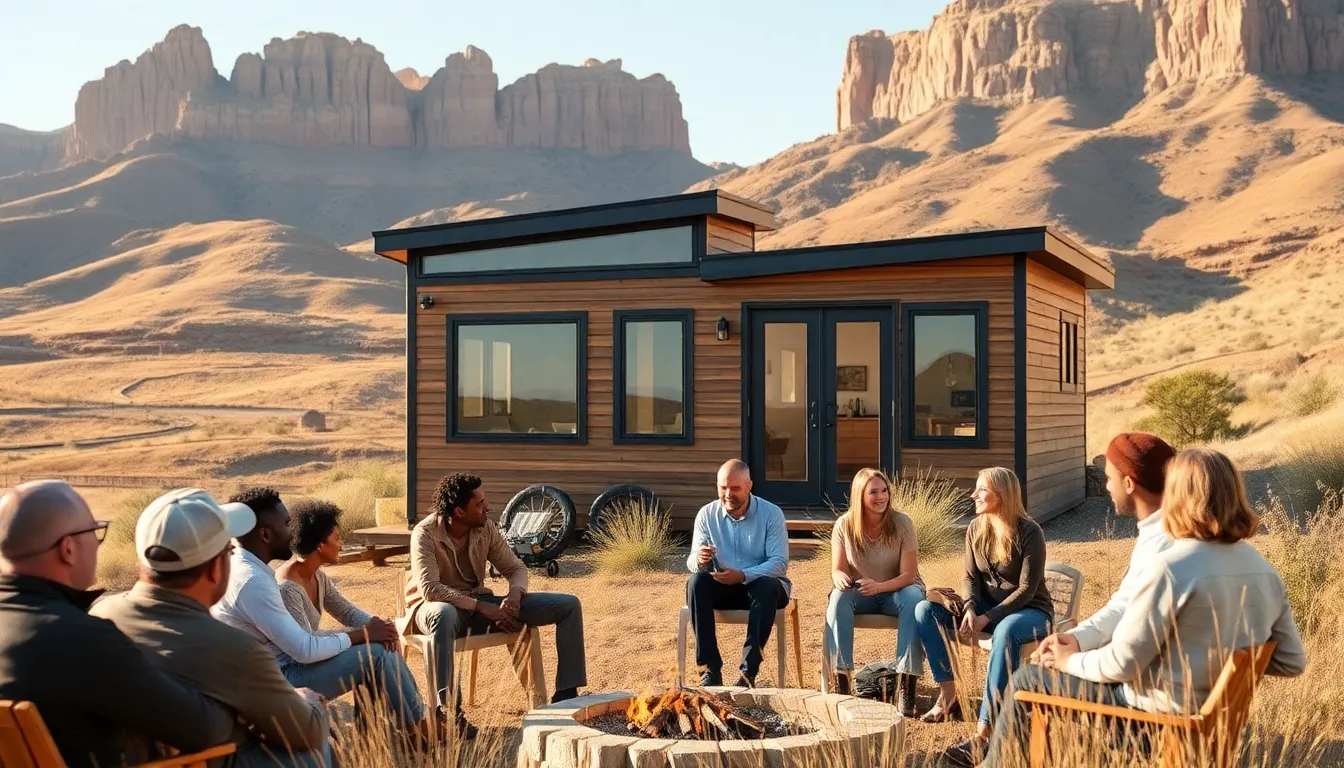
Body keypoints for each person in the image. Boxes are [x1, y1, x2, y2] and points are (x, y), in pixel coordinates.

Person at [982, 449, 1308, 768]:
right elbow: (1291, 660)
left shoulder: (1170, 568)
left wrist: (1069, 660)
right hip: (1212, 722)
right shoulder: (1264, 569)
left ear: (1179, 496)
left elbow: (1121, 664)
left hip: (1153, 721)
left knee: (1028, 677)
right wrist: (1225, 664)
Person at [90, 487, 333, 767]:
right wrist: (308, 701)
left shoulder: (101, 614)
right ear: (216, 569)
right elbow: (308, 733)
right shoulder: (235, 649)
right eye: (230, 551)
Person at [0, 480, 234, 768]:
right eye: (95, 533)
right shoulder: (81, 639)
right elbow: (204, 729)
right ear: (68, 549)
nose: (98, 546)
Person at [211, 487, 432, 739]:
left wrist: (377, 626)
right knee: (378, 654)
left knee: (377, 647)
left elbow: (344, 611)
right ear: (265, 534)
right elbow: (304, 649)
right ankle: (419, 729)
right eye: (286, 524)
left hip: (274, 672)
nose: (293, 533)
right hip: (275, 682)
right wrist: (362, 635)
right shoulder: (255, 582)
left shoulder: (249, 570)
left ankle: (381, 735)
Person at [402, 472, 587, 736]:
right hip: (433, 608)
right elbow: (430, 589)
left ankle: (567, 695)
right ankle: (450, 713)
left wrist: (515, 594)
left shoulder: (486, 527)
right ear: (459, 511)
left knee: (568, 605)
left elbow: (515, 567)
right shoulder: (425, 533)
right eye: (479, 503)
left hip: (479, 603)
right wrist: (480, 607)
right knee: (443, 614)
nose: (486, 507)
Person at [912, 466, 1053, 766]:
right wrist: (971, 608)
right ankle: (948, 694)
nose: (973, 494)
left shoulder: (1030, 532)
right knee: (925, 610)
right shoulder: (976, 528)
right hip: (984, 611)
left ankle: (983, 735)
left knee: (1007, 630)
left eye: (981, 489)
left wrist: (987, 617)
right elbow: (969, 578)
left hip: (1030, 613)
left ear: (1002, 495)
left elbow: (1027, 590)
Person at [1030, 434, 1176, 668]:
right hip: (1144, 671)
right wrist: (1077, 639)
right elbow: (1125, 604)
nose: (1107, 487)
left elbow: (1127, 648)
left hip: (1142, 682)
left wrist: (1073, 659)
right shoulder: (1159, 532)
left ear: (1129, 483)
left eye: (1109, 478)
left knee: (1027, 677)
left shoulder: (1163, 545)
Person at [824, 468, 926, 715]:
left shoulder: (902, 523)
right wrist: (840, 578)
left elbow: (908, 576)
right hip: (862, 595)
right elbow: (837, 569)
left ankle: (906, 686)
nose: (881, 497)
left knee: (914, 599)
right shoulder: (844, 525)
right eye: (874, 492)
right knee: (837, 598)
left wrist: (879, 586)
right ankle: (843, 681)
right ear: (860, 496)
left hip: (898, 592)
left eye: (884, 491)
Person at [685, 459, 790, 688]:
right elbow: (692, 562)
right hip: (724, 585)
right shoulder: (706, 515)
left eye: (735, 488)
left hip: (765, 588)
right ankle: (710, 670)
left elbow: (780, 563)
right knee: (696, 582)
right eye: (723, 488)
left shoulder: (771, 514)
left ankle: (747, 674)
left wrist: (743, 575)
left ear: (749, 485)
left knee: (764, 585)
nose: (728, 494)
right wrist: (701, 559)